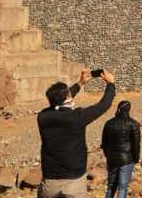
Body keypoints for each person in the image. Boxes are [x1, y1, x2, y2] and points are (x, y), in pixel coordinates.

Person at [38, 69, 117, 198]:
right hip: (74, 182)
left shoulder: (43, 116)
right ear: (68, 98)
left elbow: (58, 102)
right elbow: (104, 105)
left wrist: (80, 83)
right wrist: (111, 84)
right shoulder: (77, 117)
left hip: (49, 183)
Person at [102, 101, 140, 198]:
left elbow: (104, 143)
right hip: (126, 159)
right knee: (123, 187)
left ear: (118, 109)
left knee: (110, 187)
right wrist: (136, 159)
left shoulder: (108, 123)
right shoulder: (133, 123)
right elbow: (136, 145)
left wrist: (108, 155)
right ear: (129, 110)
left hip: (112, 159)